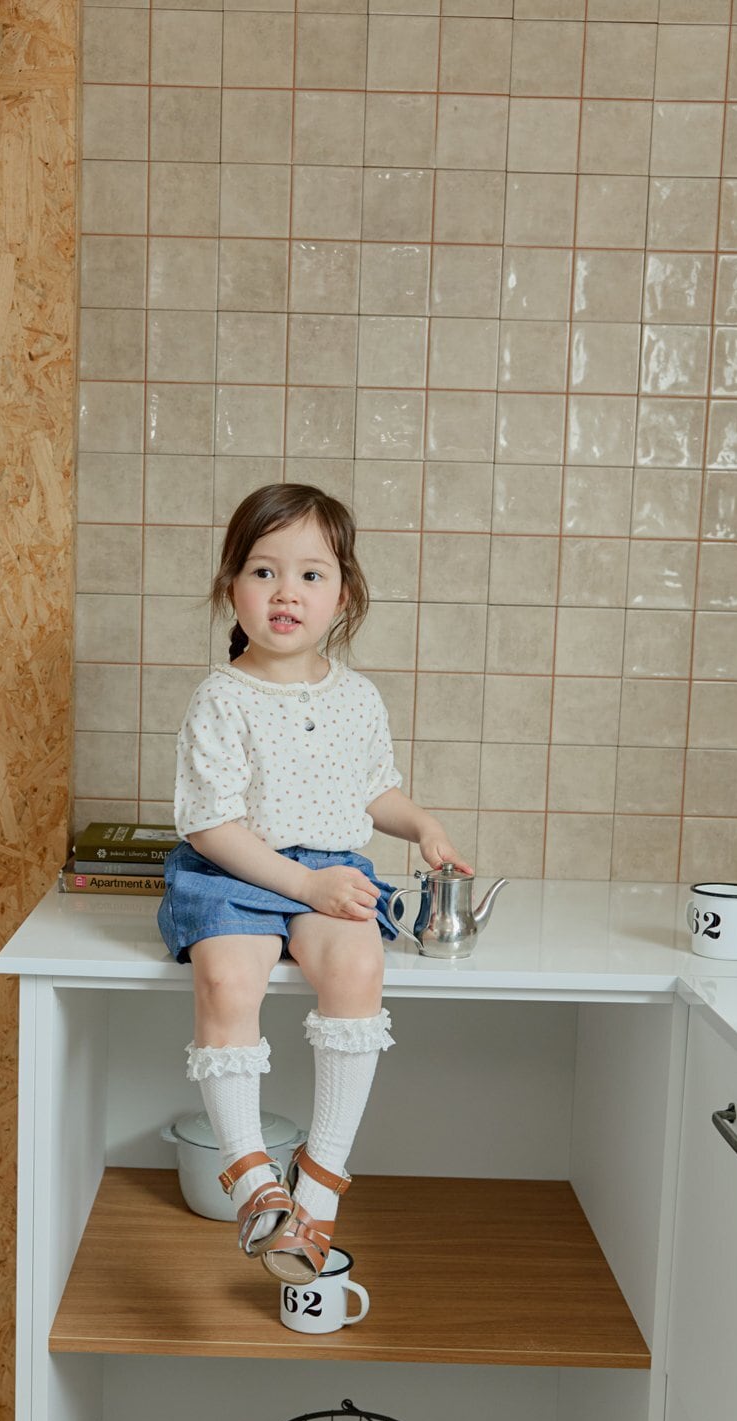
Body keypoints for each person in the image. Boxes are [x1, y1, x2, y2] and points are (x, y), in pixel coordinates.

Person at [157, 483, 474, 1284]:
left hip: (328, 870)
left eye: (310, 575)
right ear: (232, 587)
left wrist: (423, 825)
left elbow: (373, 791)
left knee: (358, 967)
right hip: (235, 869)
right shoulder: (220, 697)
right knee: (227, 980)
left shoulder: (357, 697)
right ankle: (252, 1178)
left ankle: (321, 1178)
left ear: (344, 595)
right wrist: (305, 887)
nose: (286, 593)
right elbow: (212, 826)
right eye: (263, 572)